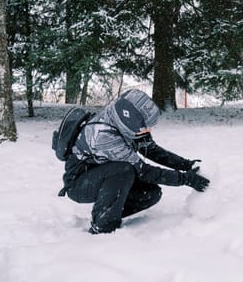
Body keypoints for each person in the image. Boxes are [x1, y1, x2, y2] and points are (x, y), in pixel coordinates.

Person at [59, 89, 210, 234]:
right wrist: (186, 179)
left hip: (104, 174)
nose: (149, 130)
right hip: (79, 183)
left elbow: (152, 150)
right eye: (146, 127)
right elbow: (144, 171)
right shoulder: (102, 136)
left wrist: (186, 165)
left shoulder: (127, 125)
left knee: (150, 193)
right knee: (124, 170)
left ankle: (110, 211)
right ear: (130, 121)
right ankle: (102, 224)